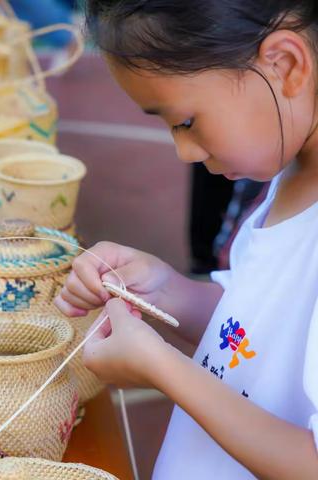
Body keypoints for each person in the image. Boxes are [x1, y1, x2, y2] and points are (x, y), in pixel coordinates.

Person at [54, 1, 318, 478]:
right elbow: (258, 334)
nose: (183, 150)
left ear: (285, 65)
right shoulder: (291, 170)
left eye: (186, 120)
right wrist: (165, 291)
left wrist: (163, 369)